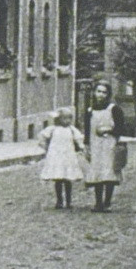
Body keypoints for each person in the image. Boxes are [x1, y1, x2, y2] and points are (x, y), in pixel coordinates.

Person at [83, 81, 125, 211]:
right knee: (97, 173)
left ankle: (107, 203)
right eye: (98, 91)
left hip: (109, 145)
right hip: (95, 145)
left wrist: (108, 130)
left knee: (109, 173)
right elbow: (87, 130)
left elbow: (120, 128)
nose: (101, 95)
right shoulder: (90, 110)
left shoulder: (114, 109)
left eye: (104, 92)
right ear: (94, 93)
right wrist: (86, 145)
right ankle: (98, 203)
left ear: (108, 94)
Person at [38, 107, 87, 209]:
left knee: (68, 179)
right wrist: (46, 147)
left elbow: (78, 138)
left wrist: (81, 146)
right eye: (64, 118)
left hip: (68, 156)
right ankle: (59, 200)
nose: (67, 121)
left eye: (69, 118)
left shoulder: (71, 129)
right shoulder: (53, 129)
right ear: (58, 119)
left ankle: (69, 201)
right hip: (57, 157)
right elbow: (42, 136)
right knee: (58, 179)